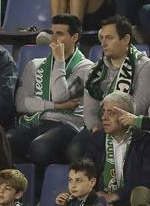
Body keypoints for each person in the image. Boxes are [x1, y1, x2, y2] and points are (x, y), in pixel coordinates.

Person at [10, 13, 94, 167]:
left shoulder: (86, 68)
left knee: (40, 147)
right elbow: (21, 104)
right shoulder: (34, 65)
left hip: (68, 125)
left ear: (74, 37)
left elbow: (60, 95)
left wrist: (59, 61)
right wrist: (55, 106)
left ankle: (42, 187)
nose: (53, 39)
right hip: (37, 121)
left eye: (60, 34)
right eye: (52, 33)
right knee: (7, 141)